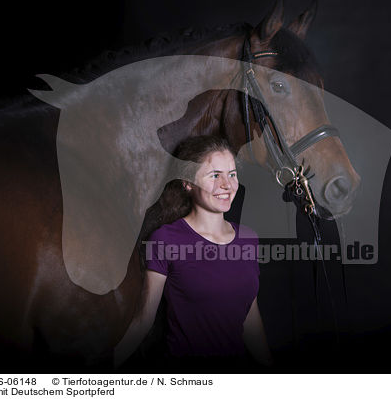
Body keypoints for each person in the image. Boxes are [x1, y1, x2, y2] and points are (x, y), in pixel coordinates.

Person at [114, 135, 272, 371]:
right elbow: (143, 320)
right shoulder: (166, 239)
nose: (227, 185)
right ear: (187, 182)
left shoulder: (248, 240)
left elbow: (250, 319)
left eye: (232, 174)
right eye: (215, 175)